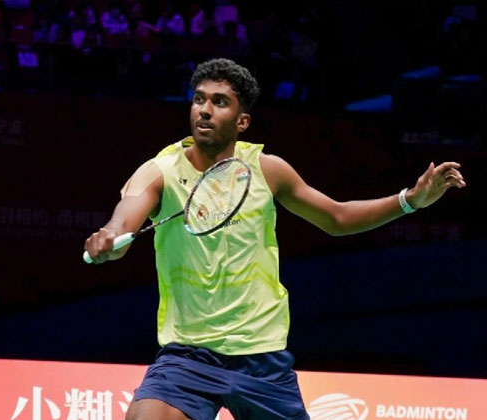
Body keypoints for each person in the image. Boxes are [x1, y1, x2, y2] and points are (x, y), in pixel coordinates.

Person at [83, 58, 466, 420]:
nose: (205, 110)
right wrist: (110, 237)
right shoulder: (160, 171)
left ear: (242, 121)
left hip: (261, 359)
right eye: (199, 99)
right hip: (187, 356)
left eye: (219, 102)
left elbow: (336, 218)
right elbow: (125, 216)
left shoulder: (268, 171)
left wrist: (410, 201)